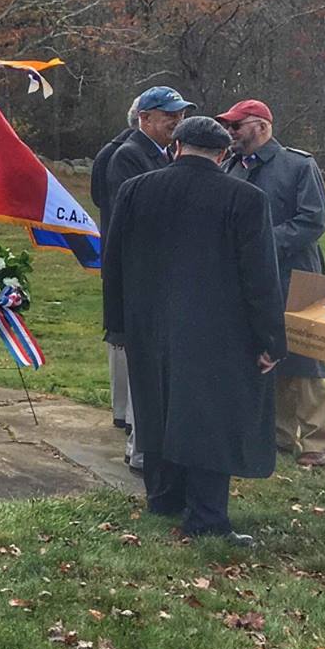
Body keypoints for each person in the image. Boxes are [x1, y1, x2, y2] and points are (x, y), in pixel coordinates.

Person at [101, 115, 282, 544]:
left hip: (148, 325)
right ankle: (206, 516)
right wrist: (270, 338)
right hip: (218, 331)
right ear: (222, 155)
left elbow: (114, 263)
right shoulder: (245, 199)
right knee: (208, 420)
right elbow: (260, 277)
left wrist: (118, 325)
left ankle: (163, 498)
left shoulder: (135, 191)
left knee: (156, 408)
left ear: (177, 147)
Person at [220, 99, 325, 468]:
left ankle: (317, 442)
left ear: (262, 127)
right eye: (229, 126)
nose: (231, 132)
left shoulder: (298, 165)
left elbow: (313, 220)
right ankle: (278, 435)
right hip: (249, 277)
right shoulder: (231, 167)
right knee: (267, 352)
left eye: (238, 125)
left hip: (295, 274)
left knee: (304, 356)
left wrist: (265, 242)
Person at [90, 84, 193, 469]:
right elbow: (129, 216)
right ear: (144, 119)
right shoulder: (129, 156)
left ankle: (137, 423)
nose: (176, 121)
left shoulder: (159, 153)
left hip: (153, 268)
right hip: (139, 267)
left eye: (180, 115)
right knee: (141, 346)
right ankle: (139, 431)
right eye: (169, 115)